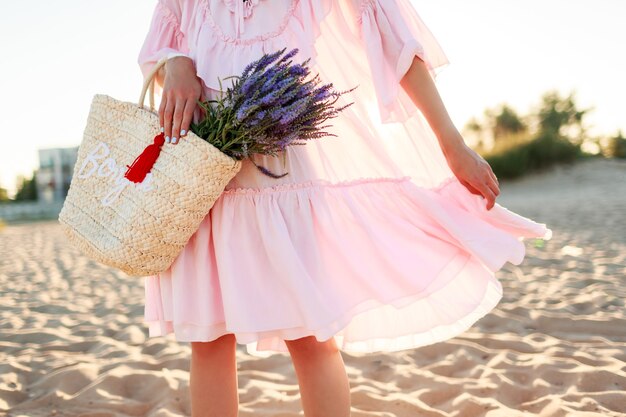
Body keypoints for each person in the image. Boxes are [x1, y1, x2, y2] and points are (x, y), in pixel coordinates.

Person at [137, 0, 552, 415]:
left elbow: (396, 45)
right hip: (204, 187)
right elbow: (159, 58)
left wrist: (452, 144)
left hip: (287, 191)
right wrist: (175, 61)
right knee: (208, 343)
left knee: (312, 340)